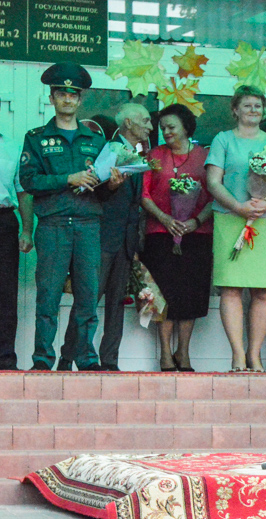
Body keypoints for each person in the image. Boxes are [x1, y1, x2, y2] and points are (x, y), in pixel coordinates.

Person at [20, 62, 118, 372]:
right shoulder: (36, 138)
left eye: (73, 94)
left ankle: (86, 361)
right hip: (53, 226)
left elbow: (101, 192)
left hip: (89, 226)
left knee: (88, 300)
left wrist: (113, 185)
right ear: (52, 97)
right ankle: (42, 361)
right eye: (61, 93)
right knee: (48, 299)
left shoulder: (96, 141)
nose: (67, 99)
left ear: (80, 99)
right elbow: (29, 181)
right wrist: (68, 179)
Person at [60, 102, 152, 371]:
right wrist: (110, 186)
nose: (150, 126)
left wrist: (135, 243)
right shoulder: (107, 148)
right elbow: (93, 191)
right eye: (145, 120)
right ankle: (68, 358)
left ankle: (110, 361)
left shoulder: (136, 153)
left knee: (116, 304)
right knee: (86, 303)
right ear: (128, 124)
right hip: (100, 237)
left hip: (125, 241)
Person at [206, 85, 266, 372]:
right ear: (235, 110)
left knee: (263, 291)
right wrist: (238, 207)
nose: (253, 110)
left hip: (265, 221)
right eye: (247, 105)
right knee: (231, 288)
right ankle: (238, 355)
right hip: (230, 218)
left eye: (258, 106)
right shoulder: (223, 139)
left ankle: (255, 355)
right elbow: (213, 182)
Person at [139, 104, 215, 373]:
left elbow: (215, 194)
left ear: (186, 127)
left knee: (190, 295)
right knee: (164, 295)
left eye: (171, 127)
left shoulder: (205, 156)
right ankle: (165, 355)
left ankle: (183, 352)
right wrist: (165, 219)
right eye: (163, 128)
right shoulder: (154, 155)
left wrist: (195, 221)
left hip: (197, 235)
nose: (166, 132)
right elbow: (144, 194)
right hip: (160, 234)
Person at [0, 130, 33, 370]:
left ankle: (5, 361)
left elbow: (22, 191)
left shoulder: (12, 147)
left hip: (3, 220)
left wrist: (27, 230)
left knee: (5, 293)